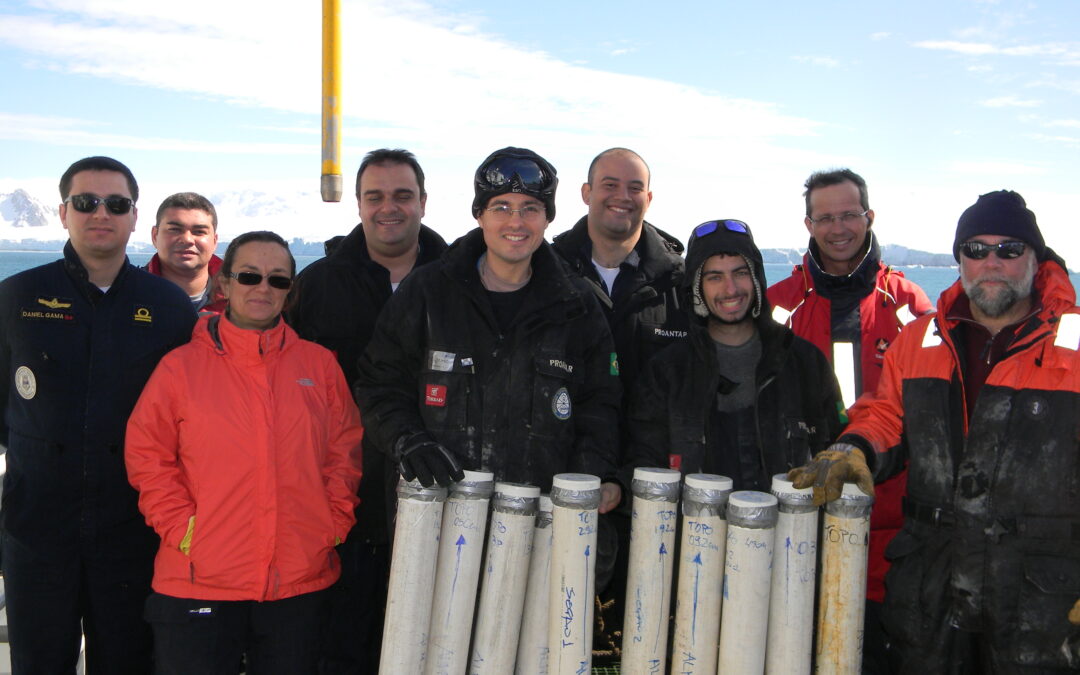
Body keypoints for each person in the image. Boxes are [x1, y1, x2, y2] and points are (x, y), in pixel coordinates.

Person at [790, 190, 1080, 672]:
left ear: (1036, 258)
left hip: (1043, 601)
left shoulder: (1073, 349)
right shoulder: (920, 340)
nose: (991, 262)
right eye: (976, 249)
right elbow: (885, 414)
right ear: (959, 259)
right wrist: (852, 448)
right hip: (931, 593)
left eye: (1009, 250)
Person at [125, 231, 364, 675]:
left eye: (278, 280)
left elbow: (343, 453)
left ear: (290, 292)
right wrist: (185, 530)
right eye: (250, 275)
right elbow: (147, 455)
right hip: (199, 582)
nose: (263, 288)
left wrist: (330, 525)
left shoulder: (319, 366)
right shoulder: (180, 367)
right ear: (225, 284)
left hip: (299, 583)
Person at [0, 156, 196, 673]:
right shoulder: (16, 298)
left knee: (128, 662)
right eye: (86, 202)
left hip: (132, 529)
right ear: (63, 213)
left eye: (117, 203)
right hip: (37, 528)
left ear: (135, 218)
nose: (100, 213)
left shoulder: (170, 307)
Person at [354, 146, 621, 508]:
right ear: (479, 215)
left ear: (547, 219)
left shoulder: (577, 306)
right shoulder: (428, 293)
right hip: (434, 518)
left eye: (530, 209)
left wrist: (584, 478)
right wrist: (408, 441)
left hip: (541, 522)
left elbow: (601, 405)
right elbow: (379, 384)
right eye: (501, 208)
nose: (516, 222)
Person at [285, 148, 447, 673]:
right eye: (374, 196)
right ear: (357, 204)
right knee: (343, 648)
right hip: (342, 506)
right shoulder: (320, 285)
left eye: (402, 195)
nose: (388, 208)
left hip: (444, 495)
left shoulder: (461, 283)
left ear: (423, 202)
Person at [766, 168, 933, 671]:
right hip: (793, 523)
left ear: (869, 217)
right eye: (826, 218)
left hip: (889, 535)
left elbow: (928, 418)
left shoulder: (909, 307)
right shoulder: (776, 308)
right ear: (808, 224)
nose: (839, 228)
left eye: (849, 215)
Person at [551, 147, 688, 661]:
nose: (622, 197)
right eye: (609, 184)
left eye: (634, 188)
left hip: (650, 501)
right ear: (586, 194)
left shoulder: (678, 282)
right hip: (561, 485)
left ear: (649, 199)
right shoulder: (547, 270)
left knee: (644, 647)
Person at [625, 218, 845, 491]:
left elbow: (837, 455)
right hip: (698, 528)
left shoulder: (805, 363)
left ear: (756, 279)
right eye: (714, 277)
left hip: (790, 529)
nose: (730, 289)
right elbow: (644, 465)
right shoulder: (667, 372)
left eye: (740, 273)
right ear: (696, 289)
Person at [147, 192, 226, 313]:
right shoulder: (127, 294)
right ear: (154, 236)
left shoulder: (241, 299)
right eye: (174, 229)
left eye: (199, 231)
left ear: (215, 241)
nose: (187, 239)